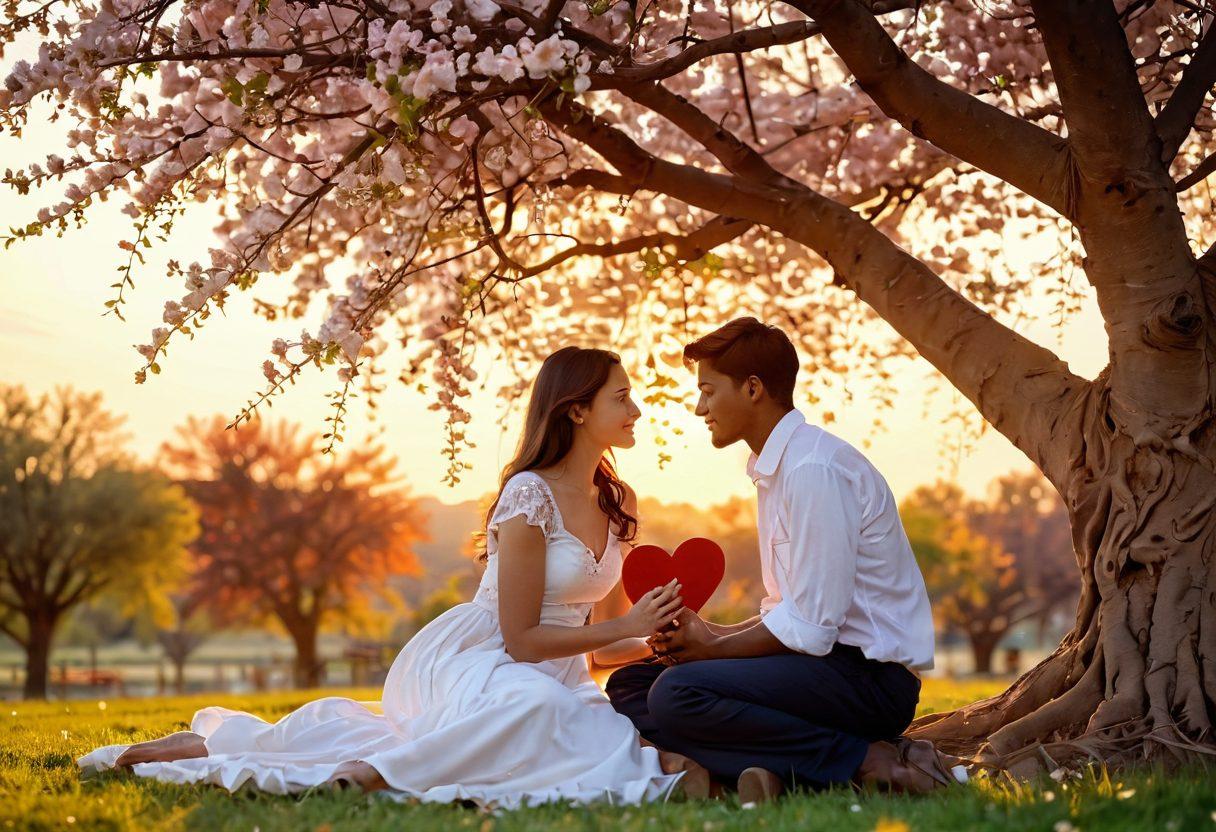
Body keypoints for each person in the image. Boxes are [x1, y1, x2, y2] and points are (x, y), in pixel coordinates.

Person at [78, 347, 710, 809]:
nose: (637, 407)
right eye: (622, 396)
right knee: (538, 706)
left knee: (591, 724)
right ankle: (373, 770)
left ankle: (351, 755)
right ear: (576, 411)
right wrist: (627, 625)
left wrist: (661, 637)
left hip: (559, 671)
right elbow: (519, 639)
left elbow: (602, 642)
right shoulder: (528, 496)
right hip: (479, 656)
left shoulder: (618, 500)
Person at [605, 318, 961, 803]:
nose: (698, 407)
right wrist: (708, 636)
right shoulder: (779, 468)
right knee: (631, 683)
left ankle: (867, 762)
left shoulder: (814, 469)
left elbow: (812, 629)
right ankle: (765, 771)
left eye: (708, 391)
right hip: (820, 668)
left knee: (676, 694)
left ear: (753, 389)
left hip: (866, 680)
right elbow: (789, 612)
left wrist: (711, 648)